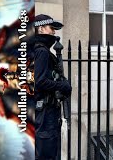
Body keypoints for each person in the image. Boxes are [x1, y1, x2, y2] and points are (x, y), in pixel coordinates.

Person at [33, 14, 72, 160]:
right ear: (41, 29)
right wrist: (61, 85)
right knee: (47, 153)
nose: (54, 32)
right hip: (45, 113)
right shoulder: (41, 51)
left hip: (42, 111)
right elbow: (40, 81)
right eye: (51, 28)